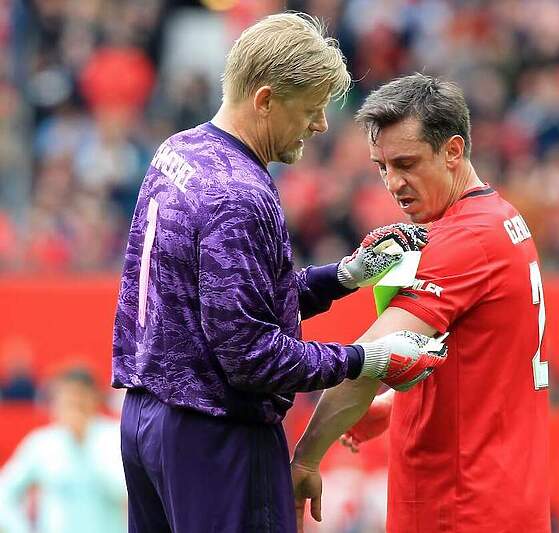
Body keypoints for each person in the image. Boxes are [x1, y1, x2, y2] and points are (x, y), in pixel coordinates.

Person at [112, 13, 448, 533]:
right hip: (215, 437)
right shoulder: (240, 193)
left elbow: (230, 302)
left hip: (147, 420)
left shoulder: (177, 151)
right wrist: (368, 360)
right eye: (311, 109)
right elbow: (250, 356)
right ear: (265, 100)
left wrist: (344, 277)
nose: (320, 126)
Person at [292, 73, 551, 532]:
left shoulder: (464, 239)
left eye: (407, 163)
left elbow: (370, 361)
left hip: (460, 510)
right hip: (502, 504)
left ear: (453, 150)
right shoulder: (502, 220)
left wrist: (306, 458)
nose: (393, 182)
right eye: (382, 166)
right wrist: (396, 405)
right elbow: (485, 367)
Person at [0, 367, 126, 533]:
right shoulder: (42, 443)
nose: (74, 404)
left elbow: (125, 491)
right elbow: (5, 492)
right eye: (68, 398)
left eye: (80, 397)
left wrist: (84, 441)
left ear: (94, 398)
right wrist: (22, 529)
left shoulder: (115, 436)